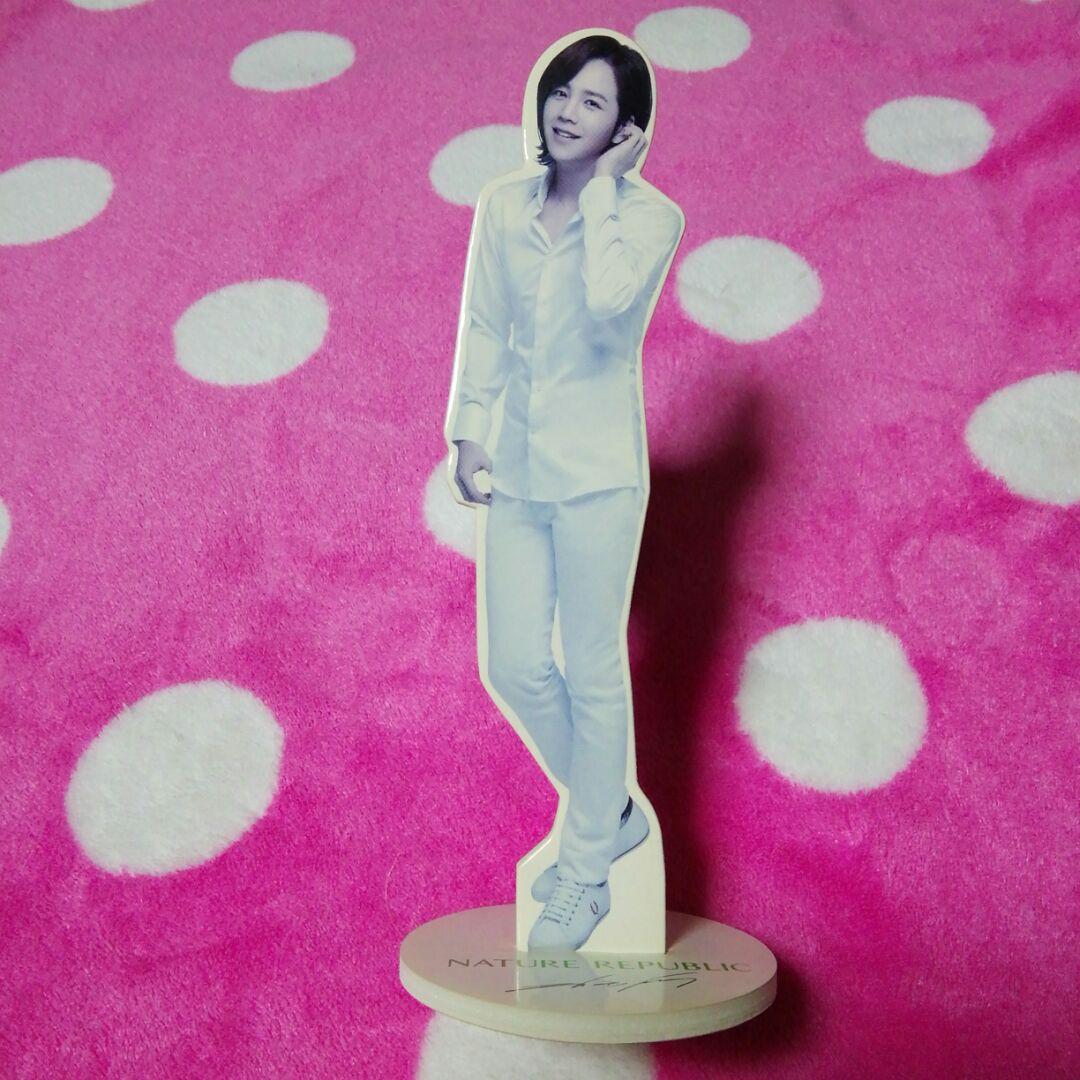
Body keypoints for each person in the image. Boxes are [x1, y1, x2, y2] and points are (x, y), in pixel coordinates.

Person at [446, 34, 684, 950]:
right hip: (517, 462)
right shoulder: (503, 205)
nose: (567, 112)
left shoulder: (650, 216)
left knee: (590, 665)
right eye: (561, 93)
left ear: (627, 128)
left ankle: (586, 872)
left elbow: (610, 302)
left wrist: (608, 191)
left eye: (592, 102)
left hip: (598, 475)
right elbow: (484, 320)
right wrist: (469, 426)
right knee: (513, 664)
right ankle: (610, 811)